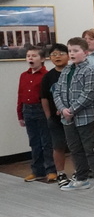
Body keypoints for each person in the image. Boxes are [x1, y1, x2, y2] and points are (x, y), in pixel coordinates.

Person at [54, 37, 94, 191]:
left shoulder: (91, 71)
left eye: (76, 51)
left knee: (91, 148)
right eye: (70, 51)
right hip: (67, 119)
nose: (72, 54)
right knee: (75, 149)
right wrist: (63, 109)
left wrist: (72, 109)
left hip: (85, 117)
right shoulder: (66, 70)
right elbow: (57, 91)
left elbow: (89, 94)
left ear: (86, 52)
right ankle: (81, 178)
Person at [17, 44, 56, 183]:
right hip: (27, 110)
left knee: (46, 142)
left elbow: (50, 97)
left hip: (41, 110)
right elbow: (20, 95)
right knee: (34, 142)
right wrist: (20, 114)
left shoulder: (47, 75)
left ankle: (51, 170)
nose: (30, 58)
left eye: (34, 56)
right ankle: (37, 171)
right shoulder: (24, 75)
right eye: (28, 56)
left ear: (42, 59)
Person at [41, 44, 70, 186]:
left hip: (73, 116)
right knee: (58, 146)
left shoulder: (73, 72)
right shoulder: (48, 77)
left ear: (68, 56)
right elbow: (44, 98)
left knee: (77, 146)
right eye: (53, 54)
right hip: (56, 119)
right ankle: (61, 173)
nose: (57, 57)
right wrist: (49, 117)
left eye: (61, 53)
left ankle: (80, 171)